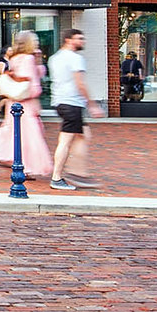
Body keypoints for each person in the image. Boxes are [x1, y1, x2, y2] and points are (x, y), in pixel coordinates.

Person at [0, 32, 51, 176]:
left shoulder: (14, 58)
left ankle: (18, 162)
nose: (37, 43)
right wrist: (37, 93)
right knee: (30, 134)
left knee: (14, 131)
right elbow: (34, 82)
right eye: (35, 40)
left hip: (13, 101)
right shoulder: (28, 59)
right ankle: (27, 166)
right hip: (26, 103)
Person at [46, 30, 96, 192]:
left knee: (84, 135)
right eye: (79, 38)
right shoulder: (75, 59)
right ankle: (58, 177)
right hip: (71, 103)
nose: (83, 41)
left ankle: (77, 171)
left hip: (61, 101)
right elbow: (80, 83)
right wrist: (92, 104)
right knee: (66, 142)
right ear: (68, 40)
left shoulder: (55, 58)